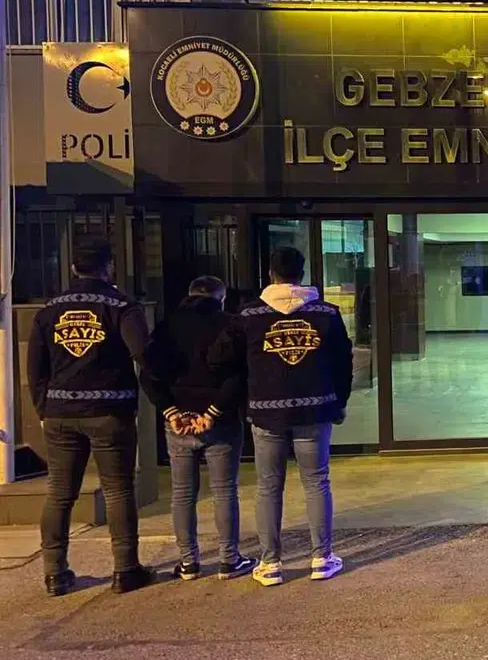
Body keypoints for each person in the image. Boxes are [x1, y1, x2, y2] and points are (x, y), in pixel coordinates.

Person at [209, 247, 352, 586]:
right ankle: (322, 558)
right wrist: (339, 401)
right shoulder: (326, 313)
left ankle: (270, 563)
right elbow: (343, 362)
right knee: (317, 481)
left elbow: (218, 358)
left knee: (269, 486)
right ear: (302, 274)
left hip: (266, 411)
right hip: (315, 409)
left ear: (271, 274)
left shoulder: (248, 315)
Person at [27, 239, 156, 596]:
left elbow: (35, 368)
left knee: (60, 493)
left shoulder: (49, 310)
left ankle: (55, 572)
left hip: (59, 412)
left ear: (73, 268)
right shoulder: (121, 306)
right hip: (110, 411)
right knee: (118, 490)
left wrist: (43, 408)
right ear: (109, 266)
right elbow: (142, 352)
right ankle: (126, 569)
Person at [143, 275, 257, 581]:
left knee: (182, 494)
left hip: (179, 423)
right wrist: (213, 411)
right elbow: (239, 376)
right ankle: (229, 560)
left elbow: (150, 374)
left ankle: (188, 562)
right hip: (220, 421)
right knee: (224, 490)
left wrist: (170, 411)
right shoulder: (230, 325)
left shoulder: (167, 327)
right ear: (221, 298)